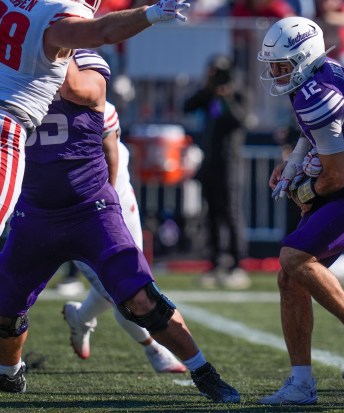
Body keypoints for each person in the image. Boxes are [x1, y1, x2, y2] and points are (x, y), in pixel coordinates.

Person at [0, 48, 239, 403]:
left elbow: (82, 90)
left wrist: (47, 47)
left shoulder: (85, 63)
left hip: (89, 209)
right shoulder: (11, 75)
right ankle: (10, 373)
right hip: (35, 213)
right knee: (5, 308)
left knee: (140, 297)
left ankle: (204, 372)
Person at [256, 16, 344, 405]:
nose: (274, 73)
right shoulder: (322, 74)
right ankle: (301, 384)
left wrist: (304, 187)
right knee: (290, 278)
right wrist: (292, 164)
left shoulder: (317, 94)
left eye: (282, 65)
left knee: (293, 257)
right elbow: (313, 135)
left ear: (303, 59)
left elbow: (334, 177)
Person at [0, 0, 190, 238]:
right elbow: (100, 33)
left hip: (78, 194)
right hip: (8, 124)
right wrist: (150, 13)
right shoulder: (58, 18)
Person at [62, 84, 185, 373]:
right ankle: (154, 349)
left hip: (117, 199)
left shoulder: (101, 109)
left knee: (133, 281)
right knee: (120, 290)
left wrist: (108, 202)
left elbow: (112, 161)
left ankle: (80, 318)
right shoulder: (40, 108)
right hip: (75, 211)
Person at [183, 55, 250, 290]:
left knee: (231, 213)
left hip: (230, 162)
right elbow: (187, 106)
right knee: (210, 213)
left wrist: (227, 96)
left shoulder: (239, 93)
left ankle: (237, 263)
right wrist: (207, 89)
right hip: (209, 162)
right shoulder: (209, 93)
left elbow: (240, 120)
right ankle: (215, 262)